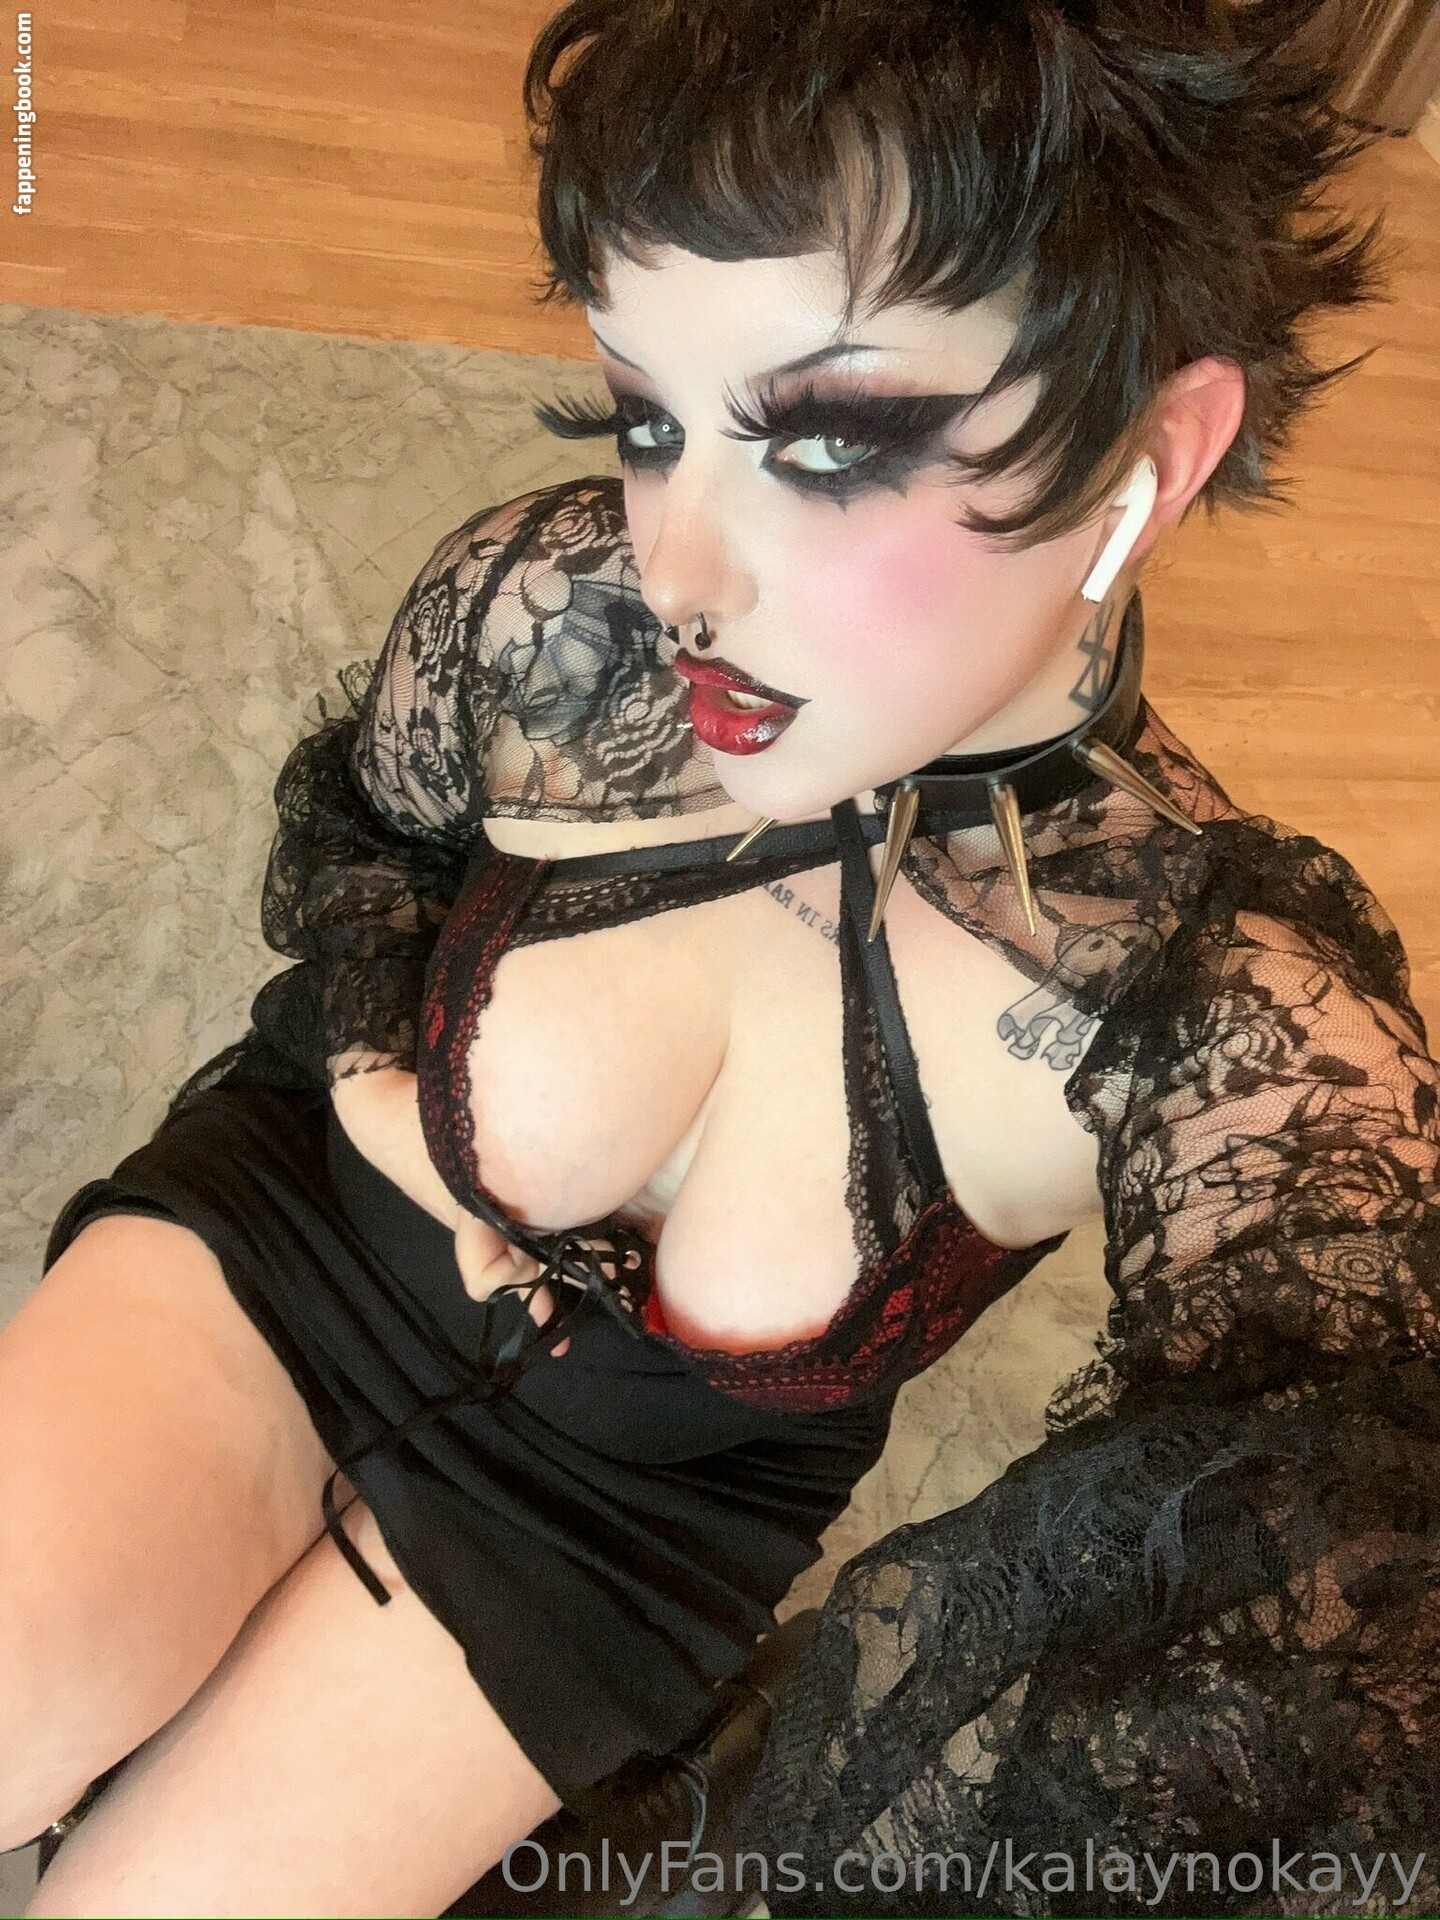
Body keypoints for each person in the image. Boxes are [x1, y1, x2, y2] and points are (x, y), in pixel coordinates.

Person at [6, 0, 1437, 1913]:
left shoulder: (1222, 1008)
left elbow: (1336, 1578)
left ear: (1151, 456)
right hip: (294, 1251)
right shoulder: (553, 607)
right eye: (649, 419)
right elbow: (372, 837)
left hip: (606, 1538)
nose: (677, 570)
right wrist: (369, 1075)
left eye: (827, 444)